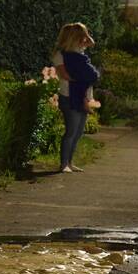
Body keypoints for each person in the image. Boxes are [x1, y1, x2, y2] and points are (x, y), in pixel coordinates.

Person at [52, 22, 99, 173]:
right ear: (73, 38)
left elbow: (92, 42)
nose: (84, 40)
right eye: (80, 37)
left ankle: (70, 163)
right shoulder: (60, 55)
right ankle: (63, 163)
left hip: (82, 96)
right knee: (71, 131)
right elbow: (63, 74)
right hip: (69, 96)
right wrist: (82, 79)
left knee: (78, 132)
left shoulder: (79, 51)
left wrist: (83, 31)